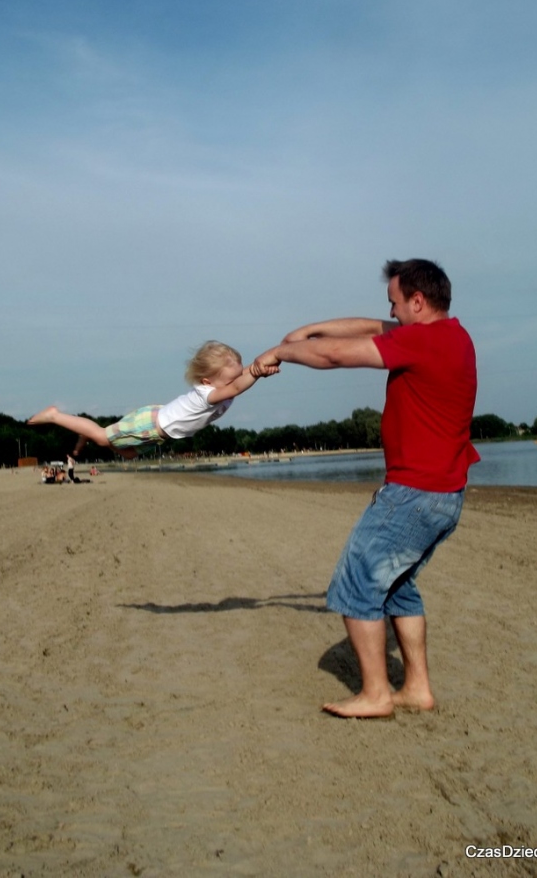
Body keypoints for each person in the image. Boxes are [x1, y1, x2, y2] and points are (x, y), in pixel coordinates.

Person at [253, 259, 479, 718]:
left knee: (355, 584)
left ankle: (376, 693)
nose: (390, 312)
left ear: (418, 302)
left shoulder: (420, 341)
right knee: (398, 588)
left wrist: (279, 353)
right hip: (444, 494)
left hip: (413, 494)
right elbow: (364, 326)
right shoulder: (452, 335)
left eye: (395, 303)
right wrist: (307, 330)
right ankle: (416, 688)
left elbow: (336, 355)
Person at [28, 341, 278, 458]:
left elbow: (246, 373)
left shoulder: (223, 384)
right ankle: (55, 415)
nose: (238, 376)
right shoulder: (210, 394)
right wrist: (257, 372)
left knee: (126, 454)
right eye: (231, 377)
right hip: (151, 424)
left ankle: (86, 432)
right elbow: (238, 385)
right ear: (207, 382)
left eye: (240, 370)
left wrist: (269, 362)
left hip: (159, 430)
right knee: (104, 438)